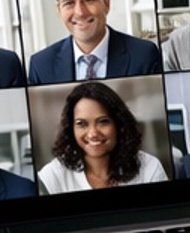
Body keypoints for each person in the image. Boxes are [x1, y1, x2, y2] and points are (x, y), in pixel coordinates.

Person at [26, 0, 163, 85]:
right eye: (69, 3)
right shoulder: (40, 66)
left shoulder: (144, 56)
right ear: (59, 11)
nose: (80, 12)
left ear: (106, 4)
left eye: (89, 0)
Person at [37, 80, 168, 194]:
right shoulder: (52, 175)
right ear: (71, 129)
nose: (93, 133)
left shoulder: (149, 167)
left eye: (103, 121)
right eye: (81, 124)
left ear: (119, 124)